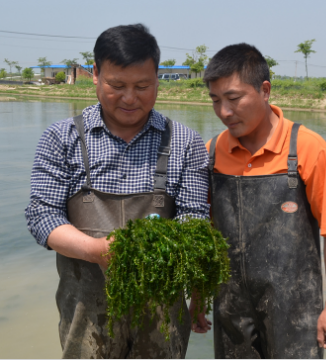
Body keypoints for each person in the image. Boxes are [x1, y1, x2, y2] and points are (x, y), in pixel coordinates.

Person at [25, 24, 210, 359]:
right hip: (85, 315)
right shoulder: (61, 139)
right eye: (117, 85)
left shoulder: (185, 143)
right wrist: (97, 250)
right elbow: (42, 216)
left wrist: (159, 252)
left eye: (142, 86)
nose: (129, 98)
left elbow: (195, 220)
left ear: (157, 78)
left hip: (162, 316)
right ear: (95, 75)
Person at [189, 43, 326, 358]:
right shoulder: (211, 152)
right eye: (215, 100)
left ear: (265, 90)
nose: (224, 112)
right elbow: (206, 235)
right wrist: (198, 299)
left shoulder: (308, 148)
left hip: (295, 312)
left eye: (234, 98)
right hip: (231, 312)